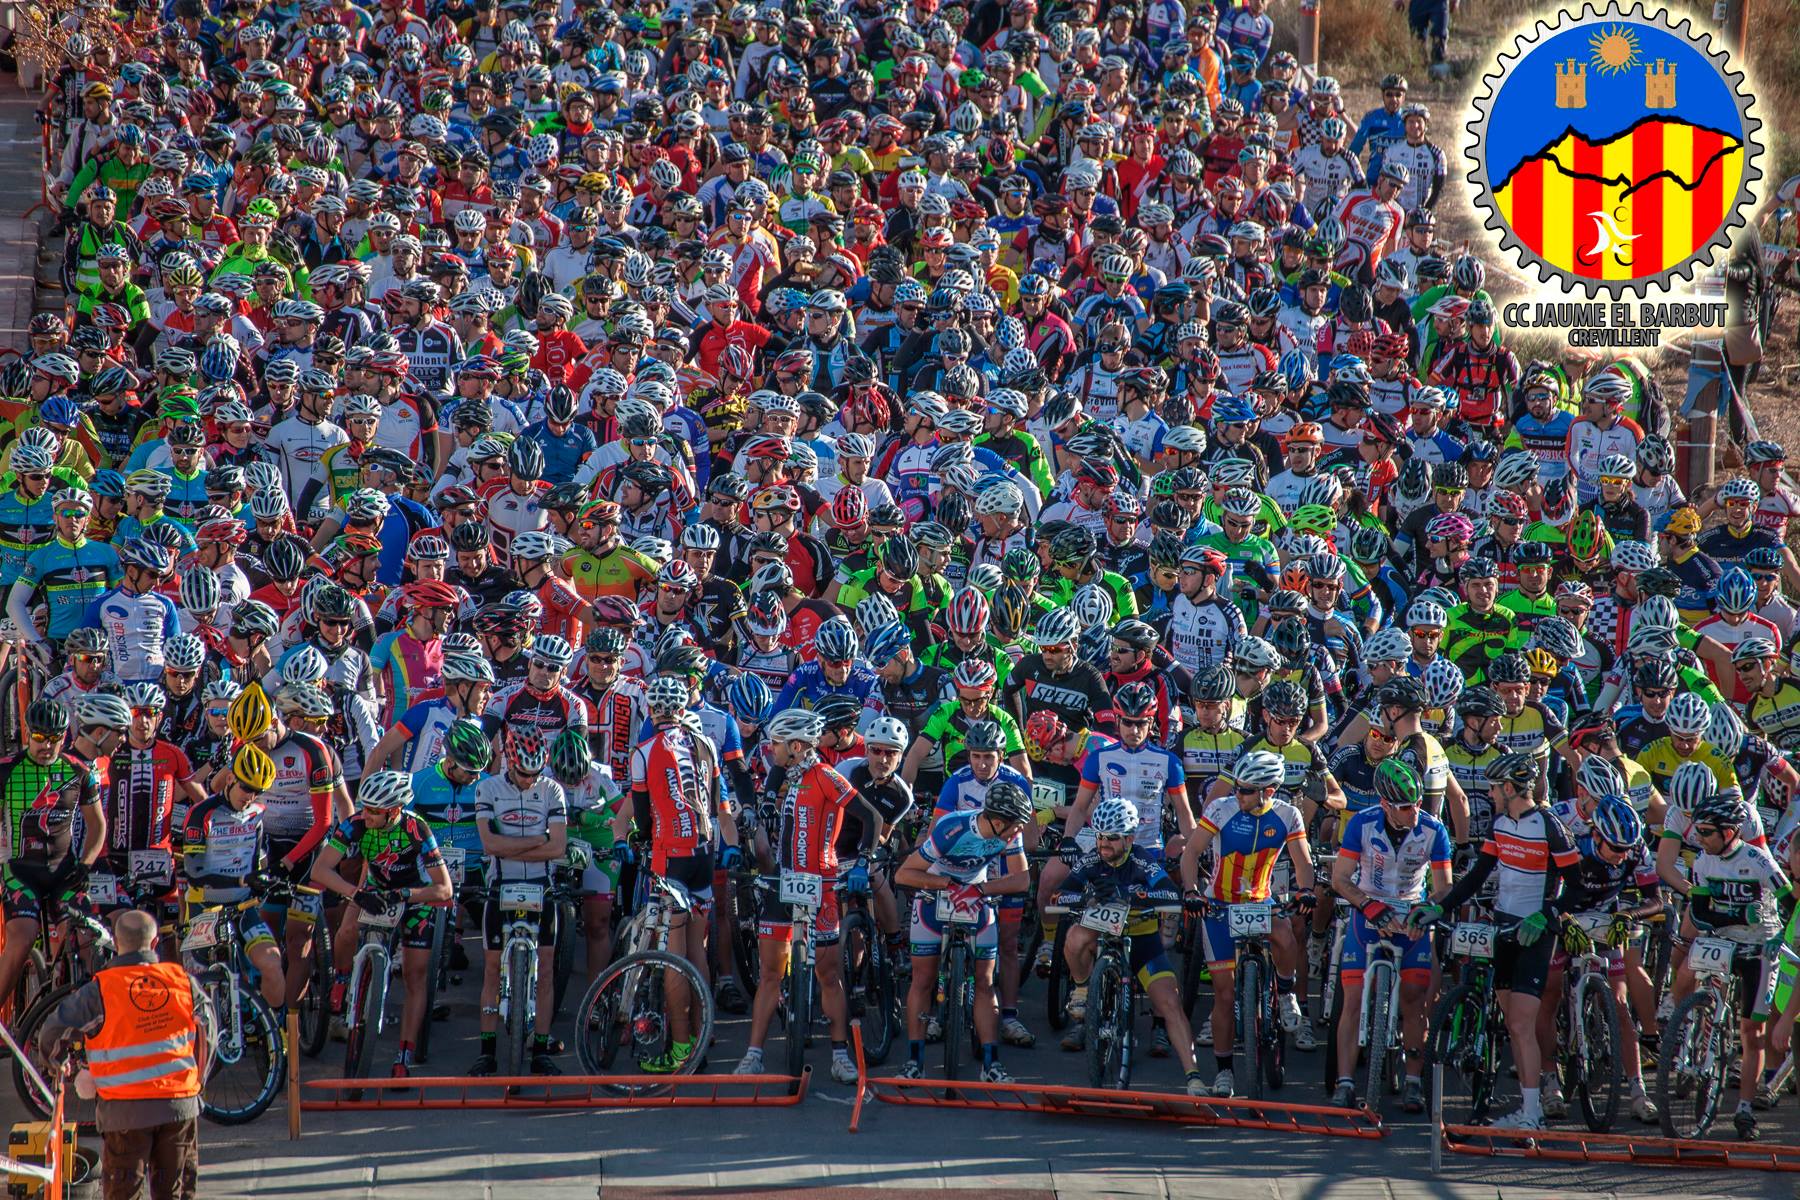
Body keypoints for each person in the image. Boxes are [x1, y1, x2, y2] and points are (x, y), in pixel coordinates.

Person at [39, 908, 208, 1200]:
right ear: (155, 944)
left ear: (116, 944)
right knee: (176, 1192)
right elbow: (209, 1033)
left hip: (124, 1113)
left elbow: (51, 1033)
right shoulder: (182, 981)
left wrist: (60, 1065)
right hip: (180, 1106)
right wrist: (197, 1082)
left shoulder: (101, 990)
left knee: (124, 1192)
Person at [1053, 797, 1208, 1095]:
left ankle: (1194, 1077)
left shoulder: (1141, 860)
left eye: (1112, 838)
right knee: (1075, 935)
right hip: (1101, 935)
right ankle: (1084, 989)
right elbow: (1060, 896)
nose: (1104, 844)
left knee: (1170, 1002)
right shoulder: (1091, 860)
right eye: (1099, 836)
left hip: (1142, 941)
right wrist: (1085, 898)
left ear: (1129, 838)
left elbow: (1170, 895)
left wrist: (1127, 895)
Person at [893, 777, 1033, 1083]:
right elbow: (905, 874)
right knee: (923, 980)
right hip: (935, 897)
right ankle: (914, 1062)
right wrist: (949, 885)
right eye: (1016, 825)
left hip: (975, 898)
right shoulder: (952, 829)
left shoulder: (1009, 834)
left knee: (984, 982)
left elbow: (1022, 881)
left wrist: (979, 889)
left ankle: (991, 1065)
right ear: (997, 821)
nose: (1020, 830)